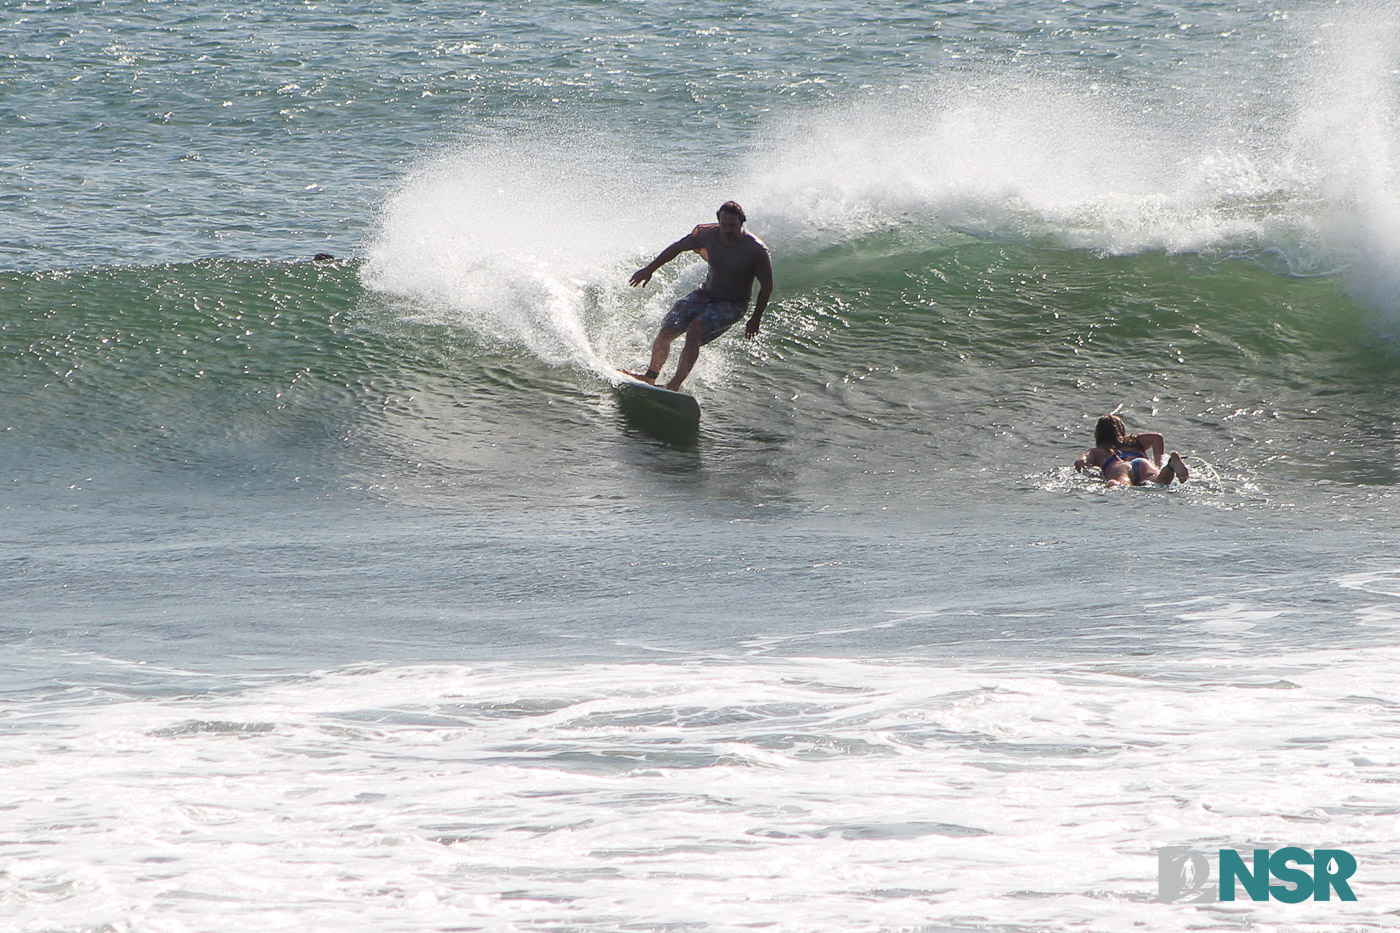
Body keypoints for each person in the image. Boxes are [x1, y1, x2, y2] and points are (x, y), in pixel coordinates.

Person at [626, 200, 774, 390]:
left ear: (742, 222)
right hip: (706, 294)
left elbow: (767, 286)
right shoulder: (708, 235)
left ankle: (673, 385)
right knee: (668, 329)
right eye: (723, 224)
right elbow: (677, 247)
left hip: (733, 303)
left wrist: (756, 318)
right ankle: (650, 376)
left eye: (732, 225)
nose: (727, 230)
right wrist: (649, 269)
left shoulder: (756, 250)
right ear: (718, 222)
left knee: (695, 329)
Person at [1074, 413, 1189, 487]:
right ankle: (1170, 465)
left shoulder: (1098, 451)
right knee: (1160, 480)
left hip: (1119, 467)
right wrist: (1158, 462)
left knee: (1120, 485)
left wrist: (1093, 477)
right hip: (1142, 462)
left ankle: (1115, 483)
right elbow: (1157, 437)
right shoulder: (1132, 441)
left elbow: (1080, 462)